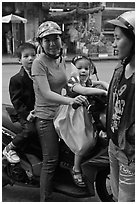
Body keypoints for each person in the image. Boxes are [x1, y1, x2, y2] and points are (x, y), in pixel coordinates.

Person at [31, 21, 87, 201]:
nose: (52, 43)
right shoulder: (38, 63)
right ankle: (44, 199)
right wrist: (71, 101)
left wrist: (88, 89)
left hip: (61, 113)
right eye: (47, 40)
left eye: (55, 38)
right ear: (41, 43)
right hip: (46, 117)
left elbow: (69, 84)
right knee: (51, 161)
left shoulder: (61, 59)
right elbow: (46, 93)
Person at [65, 55, 108, 187]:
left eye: (86, 68)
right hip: (73, 114)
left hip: (84, 113)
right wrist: (104, 92)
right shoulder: (73, 81)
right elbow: (82, 90)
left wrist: (106, 85)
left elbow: (93, 84)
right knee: (82, 143)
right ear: (73, 69)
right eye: (79, 68)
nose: (83, 71)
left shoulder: (86, 80)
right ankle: (76, 168)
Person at [106, 11, 135, 202]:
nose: (114, 44)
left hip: (130, 153)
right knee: (117, 197)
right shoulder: (121, 67)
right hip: (114, 145)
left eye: (117, 38)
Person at [3, 42, 37, 163]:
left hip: (40, 110)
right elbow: (16, 100)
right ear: (19, 60)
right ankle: (10, 148)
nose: (31, 59)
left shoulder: (39, 75)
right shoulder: (16, 79)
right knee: (30, 131)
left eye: (33, 55)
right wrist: (27, 114)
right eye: (26, 56)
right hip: (25, 113)